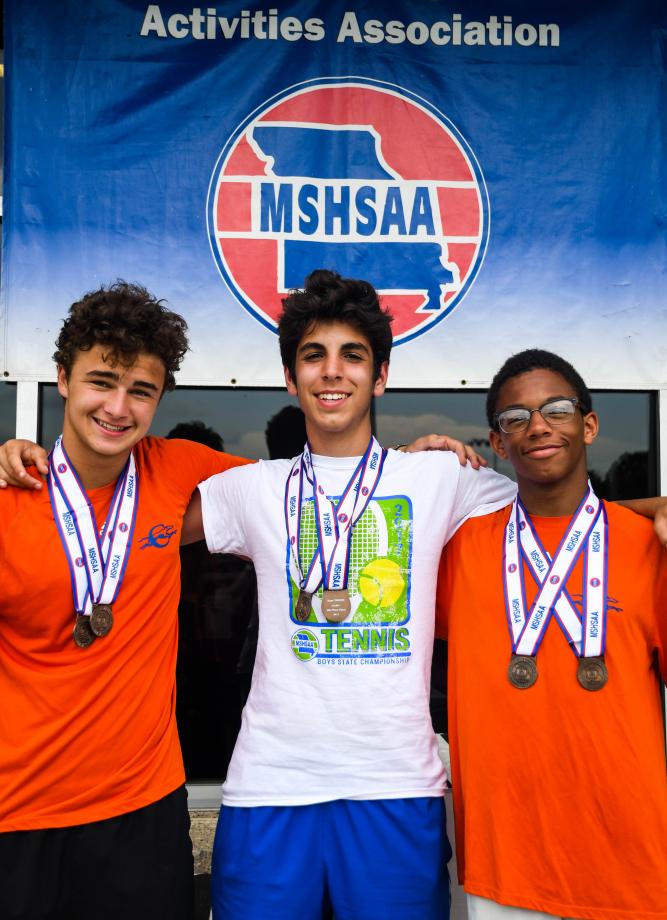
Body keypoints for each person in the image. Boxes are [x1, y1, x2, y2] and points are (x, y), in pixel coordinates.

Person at [182, 269, 519, 920]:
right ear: (290, 379)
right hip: (271, 788)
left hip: (394, 788)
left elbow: (569, 516)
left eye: (351, 356)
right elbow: (139, 524)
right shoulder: (253, 487)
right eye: (313, 355)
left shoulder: (437, 476)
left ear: (380, 376)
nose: (331, 372)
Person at [0, 282, 250, 920]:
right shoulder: (9, 494)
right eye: (101, 381)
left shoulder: (177, 467)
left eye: (141, 390)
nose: (118, 407)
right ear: (61, 377)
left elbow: (317, 488)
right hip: (17, 812)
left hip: (142, 809)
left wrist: (417, 461)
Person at [437, 349, 667, 920]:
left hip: (631, 859)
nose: (536, 426)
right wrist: (409, 462)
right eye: (515, 418)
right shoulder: (460, 551)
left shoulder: (648, 546)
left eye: (556, 410)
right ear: (498, 443)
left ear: (588, 424)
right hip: (506, 866)